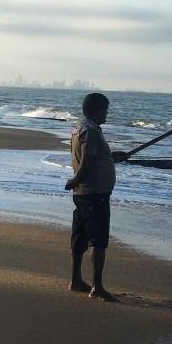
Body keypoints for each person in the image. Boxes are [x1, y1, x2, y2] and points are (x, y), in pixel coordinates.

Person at [65, 93, 129, 302]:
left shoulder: (78, 127)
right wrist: (76, 179)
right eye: (104, 110)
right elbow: (89, 160)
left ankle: (75, 280)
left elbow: (92, 156)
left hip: (83, 194)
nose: (106, 114)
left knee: (79, 238)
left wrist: (112, 158)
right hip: (94, 194)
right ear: (94, 110)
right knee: (98, 241)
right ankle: (97, 287)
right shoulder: (91, 130)